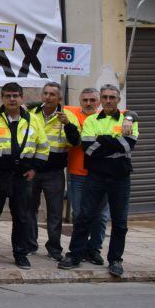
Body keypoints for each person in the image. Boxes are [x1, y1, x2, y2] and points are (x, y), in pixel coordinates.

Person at [59, 84, 139, 278]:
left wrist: (102, 140)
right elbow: (88, 148)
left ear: (118, 99)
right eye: (105, 97)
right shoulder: (92, 120)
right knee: (84, 216)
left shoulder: (129, 119)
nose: (109, 100)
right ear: (101, 100)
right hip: (95, 176)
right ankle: (75, 255)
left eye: (112, 97)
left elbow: (128, 146)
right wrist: (113, 141)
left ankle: (115, 260)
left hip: (120, 178)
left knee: (119, 222)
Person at [0, 82, 48, 269]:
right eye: (8, 96)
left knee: (22, 216)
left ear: (21, 97)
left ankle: (21, 253)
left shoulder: (32, 120)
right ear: (1, 98)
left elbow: (43, 147)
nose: (12, 99)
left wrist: (35, 168)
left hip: (22, 174)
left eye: (15, 96)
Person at [28, 81, 80, 261]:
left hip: (55, 172)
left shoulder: (68, 117)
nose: (48, 97)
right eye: (46, 94)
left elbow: (75, 142)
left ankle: (54, 248)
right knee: (29, 209)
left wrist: (67, 124)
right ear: (42, 95)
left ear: (59, 98)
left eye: (52, 94)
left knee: (55, 212)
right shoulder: (31, 113)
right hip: (32, 170)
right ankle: (30, 244)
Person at [65, 87, 110, 262]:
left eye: (93, 100)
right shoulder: (71, 113)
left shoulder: (107, 116)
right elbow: (48, 103)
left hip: (101, 174)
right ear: (80, 102)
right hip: (78, 174)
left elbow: (129, 113)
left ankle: (94, 250)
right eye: (85, 100)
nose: (89, 103)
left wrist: (130, 118)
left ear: (99, 102)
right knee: (78, 214)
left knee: (100, 216)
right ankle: (80, 249)